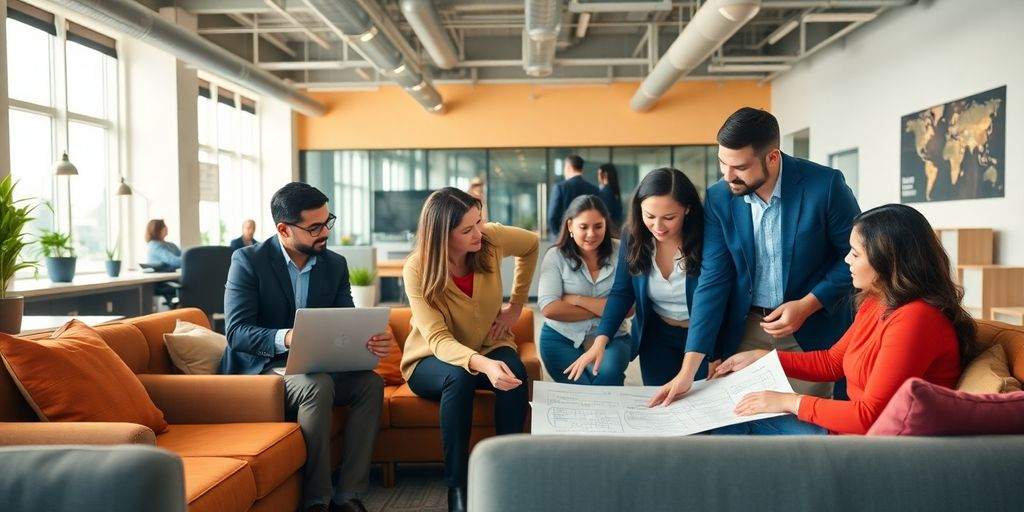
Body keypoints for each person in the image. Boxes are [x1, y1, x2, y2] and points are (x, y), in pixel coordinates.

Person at [710, 204, 979, 435]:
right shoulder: (878, 300)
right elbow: (832, 362)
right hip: (849, 432)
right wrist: (762, 357)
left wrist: (788, 401)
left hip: (873, 446)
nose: (846, 260)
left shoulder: (916, 320)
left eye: (855, 253)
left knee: (730, 424)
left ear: (888, 261)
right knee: (731, 417)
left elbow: (869, 417)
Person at [654, 107, 861, 407]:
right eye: (722, 163)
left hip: (811, 328)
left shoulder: (825, 186)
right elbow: (713, 280)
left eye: (738, 167)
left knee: (805, 422)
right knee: (743, 417)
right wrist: (688, 370)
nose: (727, 175)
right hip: (746, 327)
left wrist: (807, 304)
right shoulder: (719, 198)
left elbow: (858, 258)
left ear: (772, 157)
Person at [220, 182, 392, 512]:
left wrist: (368, 339)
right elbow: (237, 332)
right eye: (314, 227)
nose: (324, 232)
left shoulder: (334, 265)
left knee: (370, 384)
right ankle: (317, 500)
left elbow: (345, 321)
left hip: (314, 366)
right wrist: (286, 337)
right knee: (317, 386)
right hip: (262, 372)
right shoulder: (247, 261)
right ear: (284, 229)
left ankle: (348, 496)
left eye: (328, 222)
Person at [400, 187, 538, 512]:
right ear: (442, 236)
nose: (479, 233)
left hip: (488, 344)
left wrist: (516, 305)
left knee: (515, 370)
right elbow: (436, 339)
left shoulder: (490, 240)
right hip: (430, 359)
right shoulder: (417, 269)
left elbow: (531, 245)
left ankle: (510, 472)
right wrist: (482, 365)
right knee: (458, 378)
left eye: (479, 221)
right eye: (467, 229)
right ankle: (457, 487)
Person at [579, 168, 706, 388]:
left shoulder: (707, 237)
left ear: (687, 209)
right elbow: (622, 292)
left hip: (703, 336)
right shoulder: (633, 235)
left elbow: (719, 299)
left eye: (669, 218)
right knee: (658, 406)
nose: (658, 227)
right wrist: (601, 340)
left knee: (701, 408)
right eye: (649, 216)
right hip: (656, 335)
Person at [538, 195, 630, 385]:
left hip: (613, 337)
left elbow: (629, 308)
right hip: (561, 338)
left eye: (598, 226)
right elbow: (549, 309)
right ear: (570, 225)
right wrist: (607, 309)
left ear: (606, 224)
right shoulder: (555, 256)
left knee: (607, 375)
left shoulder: (622, 251)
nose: (591, 234)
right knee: (581, 389)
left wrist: (576, 299)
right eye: (583, 227)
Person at [547, 154, 599, 238]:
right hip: (587, 238)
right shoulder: (594, 189)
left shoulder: (560, 188)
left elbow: (552, 217)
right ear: (581, 169)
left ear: (568, 167)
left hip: (564, 238)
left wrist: (559, 236)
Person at [597, 163, 625, 230]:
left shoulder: (606, 191)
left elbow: (605, 213)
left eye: (598, 174)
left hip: (609, 228)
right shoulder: (614, 190)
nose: (598, 176)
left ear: (604, 175)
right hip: (617, 227)